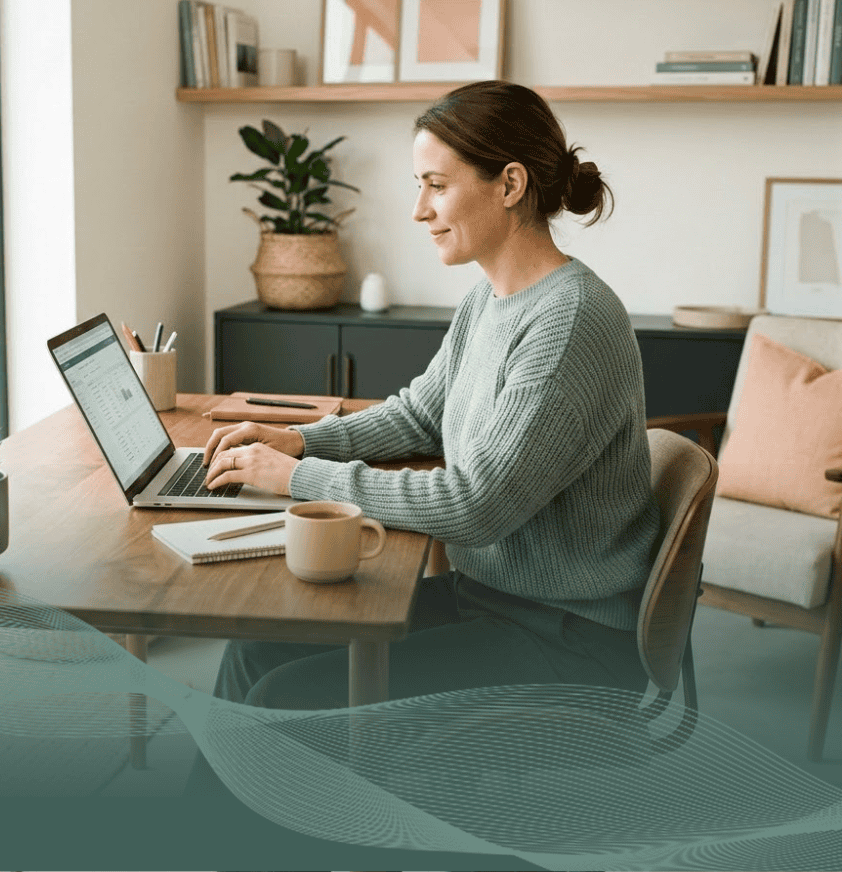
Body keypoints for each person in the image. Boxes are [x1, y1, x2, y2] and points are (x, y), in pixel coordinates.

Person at [201, 80, 660, 710]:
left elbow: (474, 505)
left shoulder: (570, 321)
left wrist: (298, 476)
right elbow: (419, 415)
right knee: (256, 645)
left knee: (285, 697)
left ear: (510, 185)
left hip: (565, 640)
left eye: (437, 186)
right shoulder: (488, 299)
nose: (420, 209)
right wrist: (300, 439)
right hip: (492, 602)